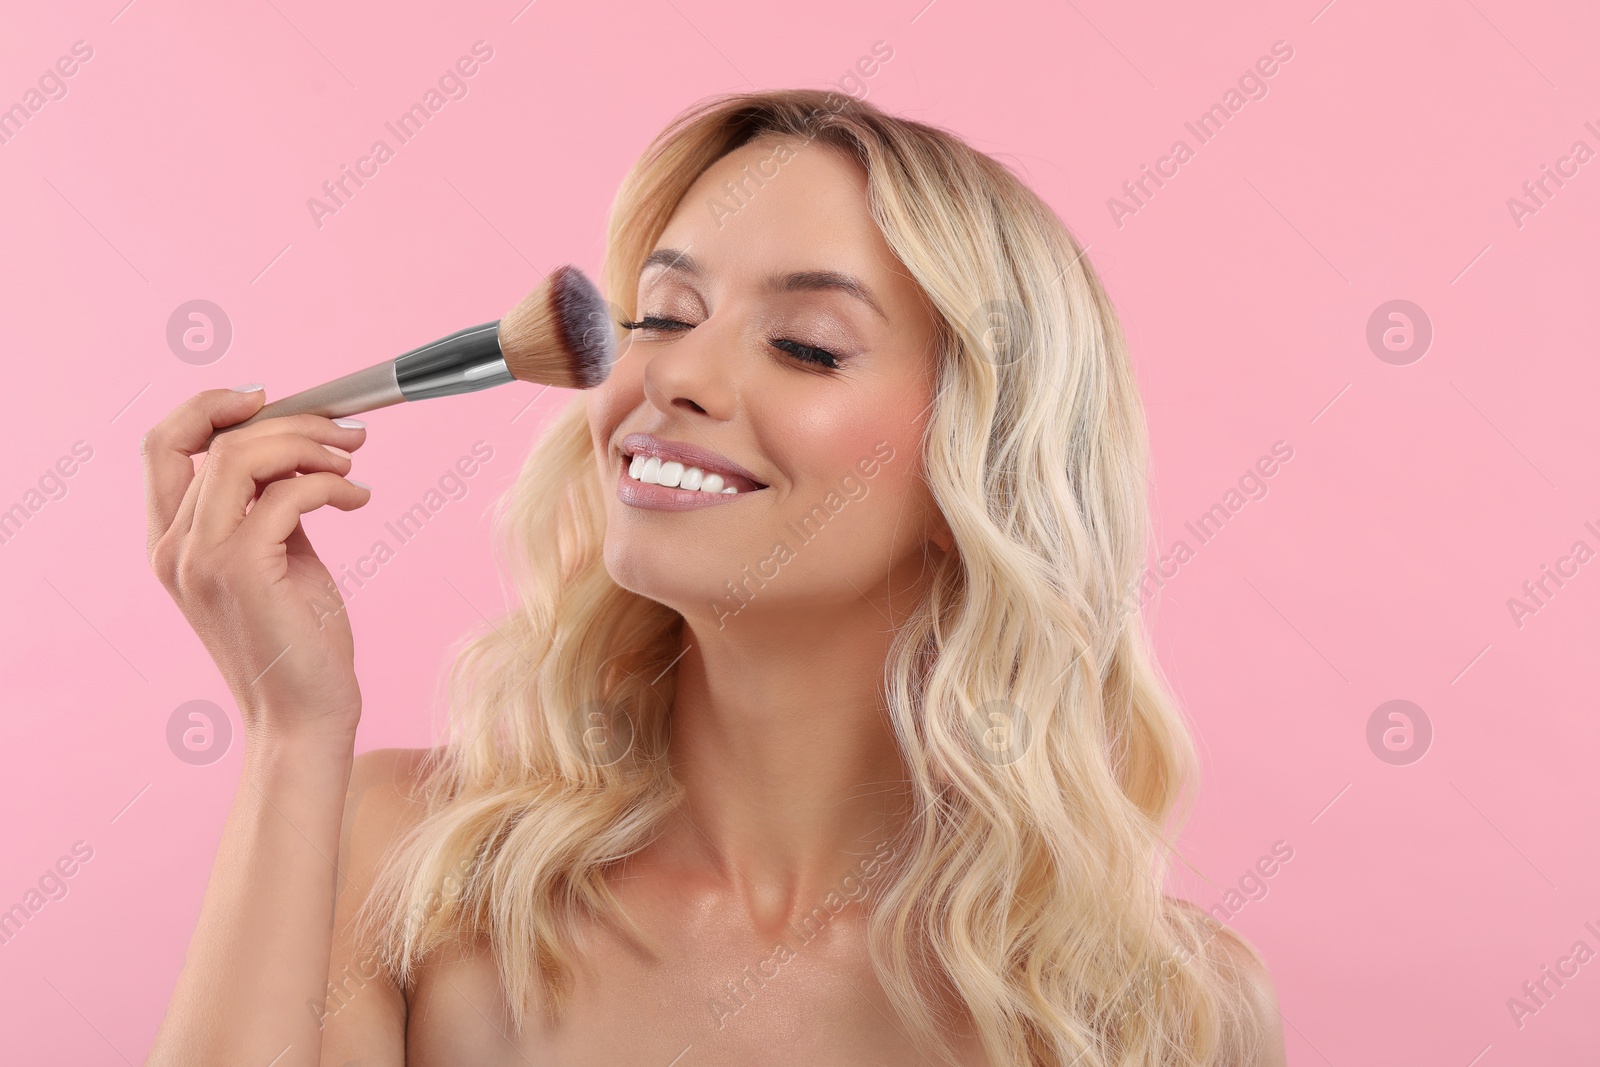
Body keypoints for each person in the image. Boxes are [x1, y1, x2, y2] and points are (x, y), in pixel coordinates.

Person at [142, 88, 1287, 1066]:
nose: (673, 371)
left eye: (805, 344)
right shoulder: (403, 857)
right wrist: (293, 724)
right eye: (661, 313)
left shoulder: (1149, 1008)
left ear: (972, 473)